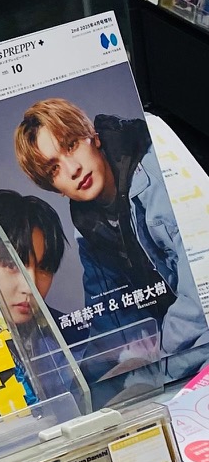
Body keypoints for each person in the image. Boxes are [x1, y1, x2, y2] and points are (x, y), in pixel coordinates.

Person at [14, 96, 209, 381]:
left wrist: (157, 363)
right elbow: (109, 321)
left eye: (71, 145)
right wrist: (82, 386)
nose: (72, 169)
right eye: (54, 169)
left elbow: (201, 291)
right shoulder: (89, 229)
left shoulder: (156, 169)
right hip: (181, 352)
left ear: (92, 136)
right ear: (55, 188)